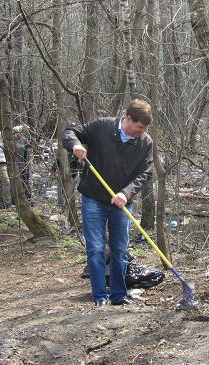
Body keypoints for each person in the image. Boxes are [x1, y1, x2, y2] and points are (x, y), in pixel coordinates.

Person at [62, 99, 154, 307]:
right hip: (94, 199)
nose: (142, 131)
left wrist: (126, 193)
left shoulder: (145, 142)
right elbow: (70, 132)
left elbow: (145, 173)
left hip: (121, 203)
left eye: (145, 128)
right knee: (95, 249)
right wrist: (75, 145)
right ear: (128, 119)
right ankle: (100, 296)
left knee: (120, 250)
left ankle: (119, 296)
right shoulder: (102, 126)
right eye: (139, 127)